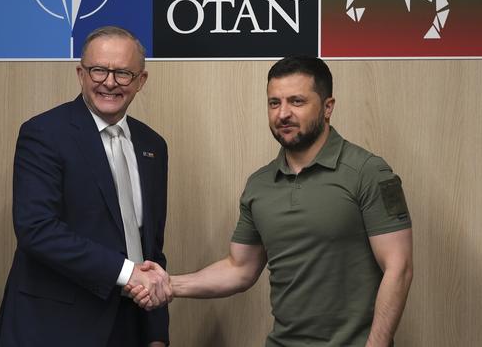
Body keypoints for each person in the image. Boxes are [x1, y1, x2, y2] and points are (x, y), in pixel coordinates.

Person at [129, 56, 413, 346]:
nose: (283, 114)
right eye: (274, 103)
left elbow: (398, 267)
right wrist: (169, 284)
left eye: (297, 101)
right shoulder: (260, 184)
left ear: (328, 107)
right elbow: (240, 268)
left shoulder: (369, 172)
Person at [0, 26, 171, 347]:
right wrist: (127, 272)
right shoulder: (44, 133)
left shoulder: (153, 145)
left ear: (141, 81)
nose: (109, 82)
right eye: (98, 70)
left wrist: (156, 332)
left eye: (123, 73)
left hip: (128, 326)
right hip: (55, 328)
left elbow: (151, 249)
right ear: (81, 73)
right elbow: (37, 229)